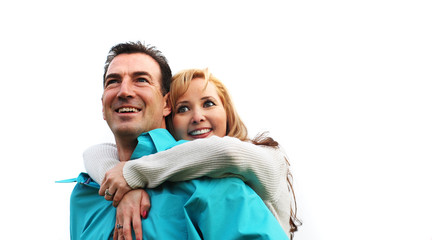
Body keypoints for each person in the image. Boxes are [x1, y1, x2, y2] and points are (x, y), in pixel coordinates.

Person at [68, 41, 289, 240]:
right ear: (103, 106)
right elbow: (95, 152)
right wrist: (120, 187)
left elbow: (226, 153)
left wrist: (132, 174)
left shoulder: (216, 179)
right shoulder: (84, 196)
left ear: (166, 105)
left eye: (141, 80)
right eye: (113, 81)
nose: (124, 91)